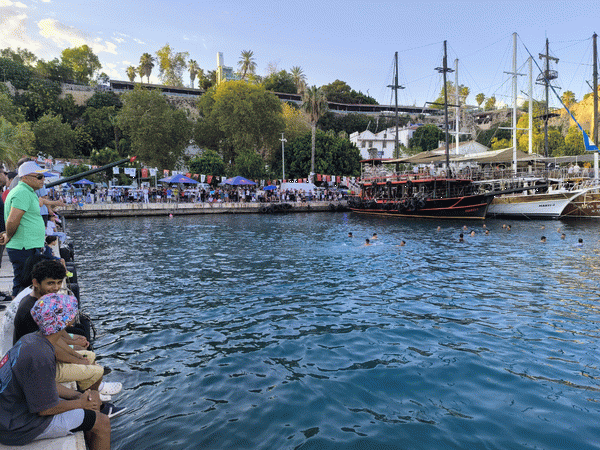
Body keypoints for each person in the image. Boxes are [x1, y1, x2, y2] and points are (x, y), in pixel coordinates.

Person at [0, 293, 111, 448]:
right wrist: (80, 403)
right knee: (103, 422)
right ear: (66, 320)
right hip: (18, 427)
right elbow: (45, 409)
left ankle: (88, 427)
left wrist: (77, 395)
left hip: (8, 416)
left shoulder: (31, 339)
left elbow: (44, 384)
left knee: (91, 406)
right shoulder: (41, 355)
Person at [0, 161, 46, 297]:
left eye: (43, 177)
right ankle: (17, 309)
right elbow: (12, 219)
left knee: (27, 283)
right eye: (39, 177)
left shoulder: (28, 192)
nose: (43, 180)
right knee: (23, 283)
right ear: (25, 177)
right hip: (23, 246)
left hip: (28, 245)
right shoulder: (22, 193)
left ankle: (22, 307)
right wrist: (9, 236)